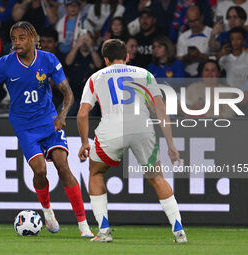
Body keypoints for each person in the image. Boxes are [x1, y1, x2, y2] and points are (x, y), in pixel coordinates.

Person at [0, 21, 93, 237]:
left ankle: (83, 225)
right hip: (25, 126)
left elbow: (68, 93)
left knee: (63, 166)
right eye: (14, 39)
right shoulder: (6, 64)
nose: (17, 42)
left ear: (33, 39)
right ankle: (47, 211)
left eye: (21, 38)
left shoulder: (48, 60)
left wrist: (62, 115)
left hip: (50, 121)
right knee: (40, 171)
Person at [77, 39, 187, 243]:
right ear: (127, 57)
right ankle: (178, 230)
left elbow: (83, 114)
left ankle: (103, 232)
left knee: (96, 172)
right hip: (142, 128)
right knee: (157, 177)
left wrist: (85, 142)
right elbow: (160, 110)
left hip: (111, 130)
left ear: (106, 60)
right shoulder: (144, 74)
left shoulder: (96, 77)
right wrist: (171, 145)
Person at [176, 6, 211, 77]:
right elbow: (179, 62)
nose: (194, 24)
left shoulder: (211, 33)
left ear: (202, 17)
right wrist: (188, 57)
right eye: (190, 21)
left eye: (196, 20)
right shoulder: (183, 37)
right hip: (188, 76)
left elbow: (217, 58)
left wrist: (200, 55)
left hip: (208, 77)